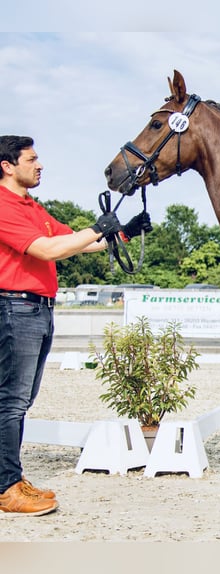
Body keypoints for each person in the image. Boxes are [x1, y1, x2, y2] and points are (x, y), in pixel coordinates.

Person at [0, 135, 151, 516]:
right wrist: (99, 227)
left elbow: (72, 242)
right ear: (7, 165)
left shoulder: (30, 206)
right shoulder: (3, 206)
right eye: (32, 159)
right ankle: (5, 487)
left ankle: (12, 479)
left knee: (20, 401)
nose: (40, 165)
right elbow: (47, 250)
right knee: (10, 402)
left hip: (36, 311)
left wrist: (123, 232)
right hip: (15, 309)